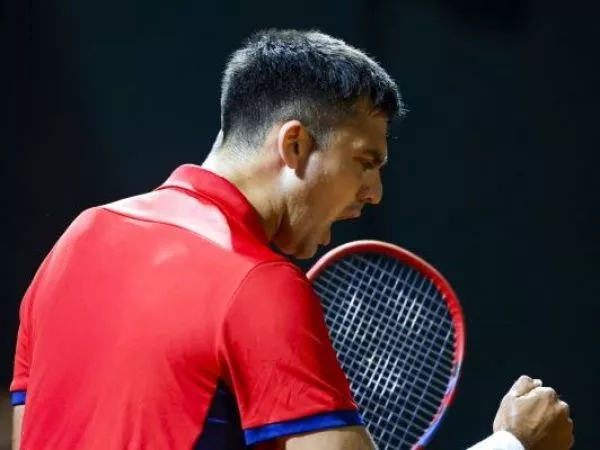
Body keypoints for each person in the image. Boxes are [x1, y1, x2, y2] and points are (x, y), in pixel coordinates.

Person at [10, 29, 573, 450]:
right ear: (295, 145)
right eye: (366, 161)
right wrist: (513, 444)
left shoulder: (76, 240)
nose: (374, 193)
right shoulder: (257, 283)